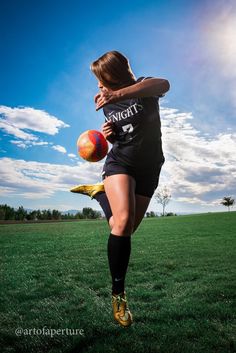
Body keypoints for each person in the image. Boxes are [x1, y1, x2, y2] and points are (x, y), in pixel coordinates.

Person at [71, 50, 170, 327]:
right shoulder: (105, 102)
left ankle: (99, 193)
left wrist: (117, 96)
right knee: (123, 221)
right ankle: (118, 296)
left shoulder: (144, 86)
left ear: (113, 76)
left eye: (101, 80)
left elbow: (164, 85)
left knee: (123, 227)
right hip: (120, 163)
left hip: (150, 168)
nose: (98, 86)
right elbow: (120, 135)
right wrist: (110, 134)